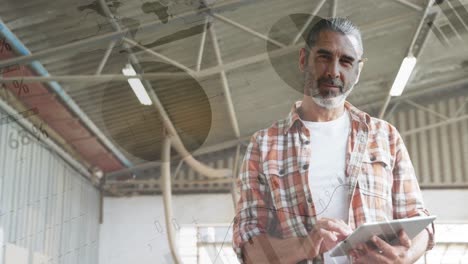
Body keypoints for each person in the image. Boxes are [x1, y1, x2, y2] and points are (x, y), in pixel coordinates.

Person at [232, 17, 434, 264]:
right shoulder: (264, 146)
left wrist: (407, 254)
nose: (334, 71)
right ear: (304, 59)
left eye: (346, 61)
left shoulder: (385, 137)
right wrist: (306, 245)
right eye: (324, 57)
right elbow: (248, 246)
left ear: (358, 71)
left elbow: (418, 219)